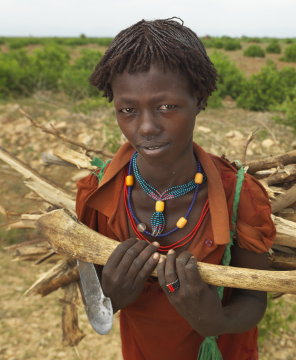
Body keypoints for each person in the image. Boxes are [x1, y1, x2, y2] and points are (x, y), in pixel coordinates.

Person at [75, 17, 276, 360]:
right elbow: (92, 293)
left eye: (166, 107)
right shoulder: (98, 194)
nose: (147, 127)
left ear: (198, 98)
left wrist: (216, 319)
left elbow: (255, 298)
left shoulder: (238, 196)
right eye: (128, 110)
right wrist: (112, 296)